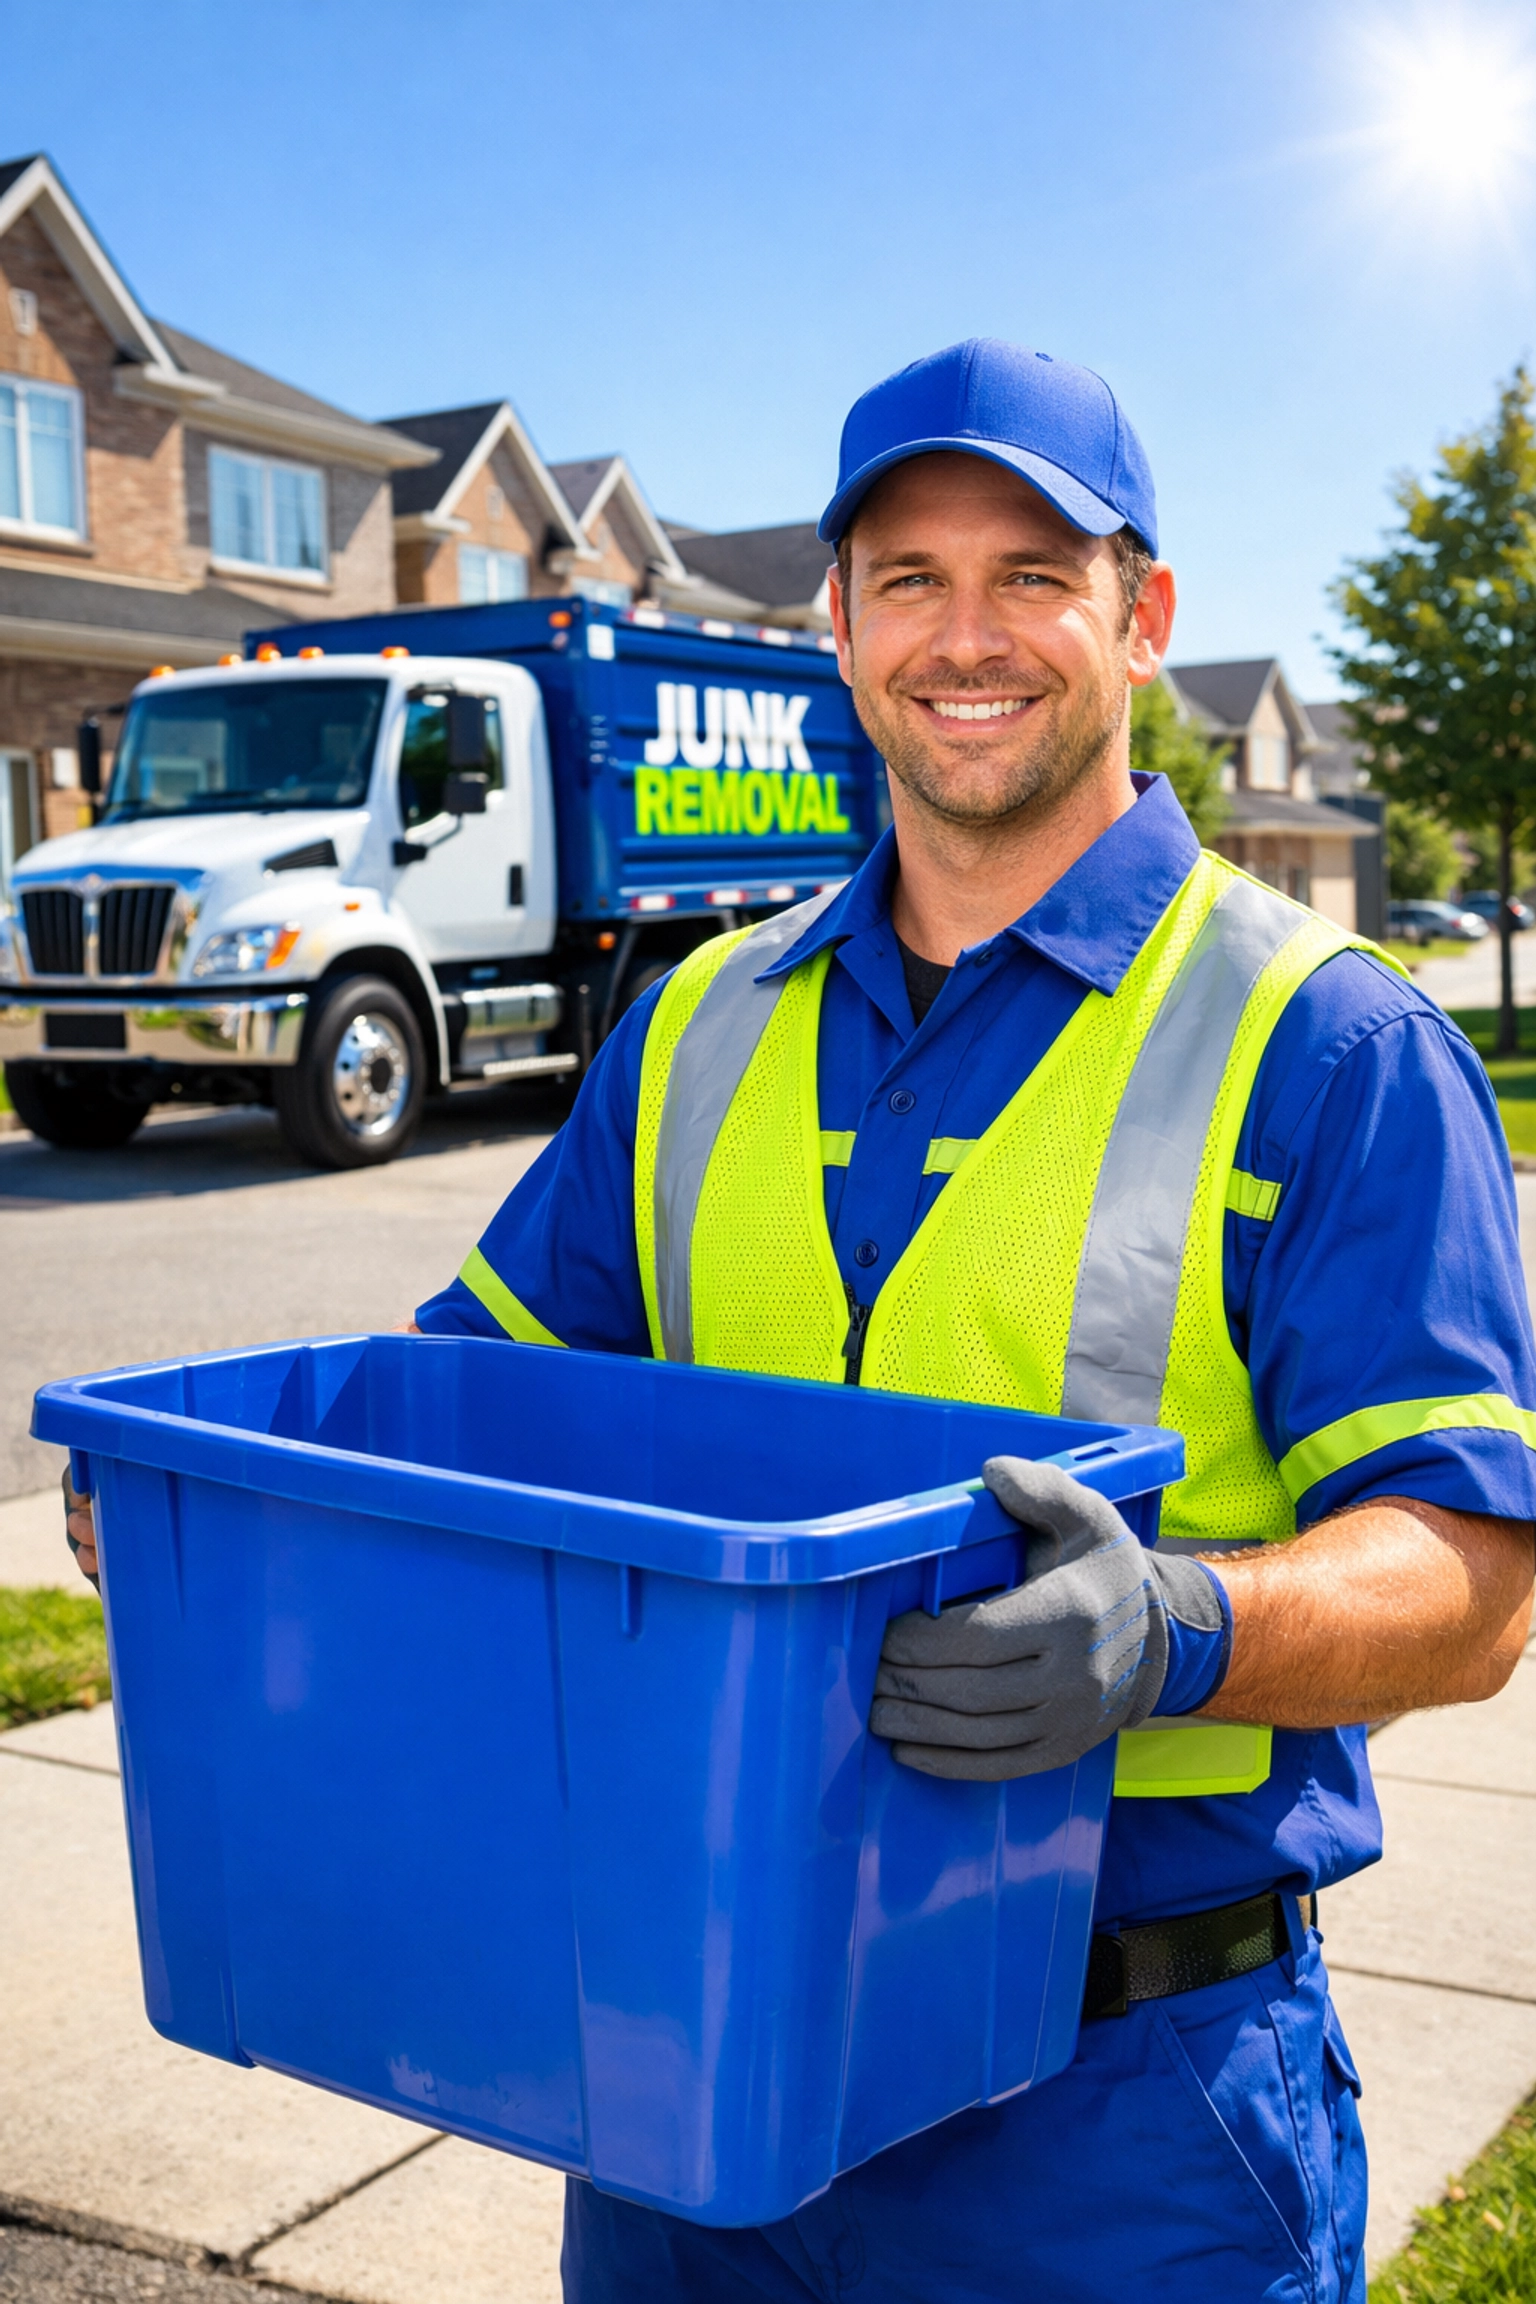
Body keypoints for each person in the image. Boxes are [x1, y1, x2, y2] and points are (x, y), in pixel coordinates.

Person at [68, 340, 1536, 2301]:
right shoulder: (692, 1030)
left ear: (1143, 617)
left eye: (1033, 571)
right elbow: (455, 1402)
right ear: (839, 626)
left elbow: (1473, 1579)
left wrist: (1181, 1627)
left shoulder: (1325, 1043)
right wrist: (225, 1506)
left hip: (1119, 2123)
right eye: (908, 579)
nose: (965, 635)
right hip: (685, 2099)